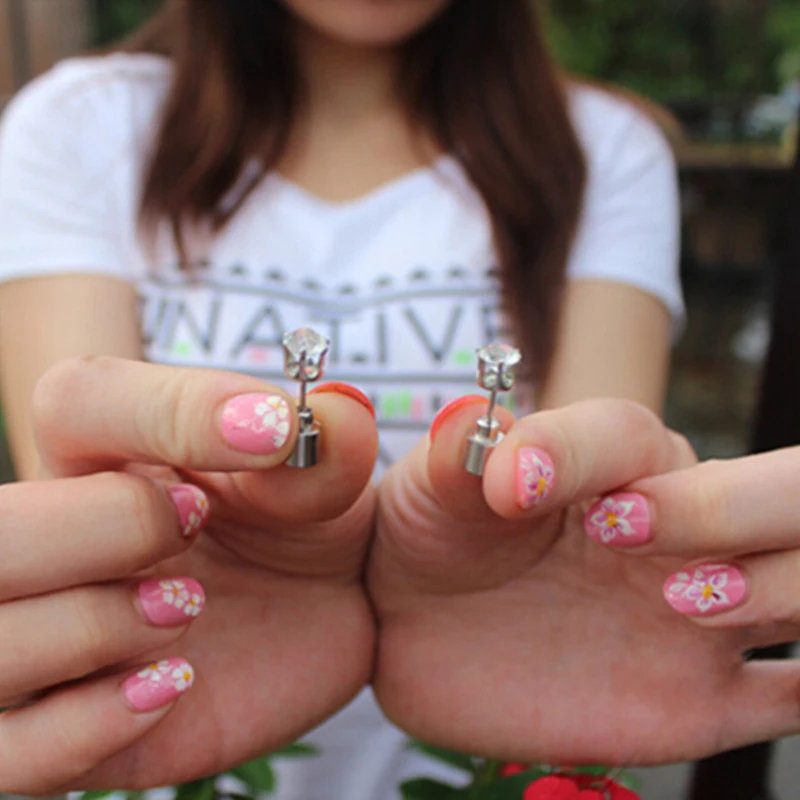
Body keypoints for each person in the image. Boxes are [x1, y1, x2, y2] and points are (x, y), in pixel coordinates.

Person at [0, 0, 696, 796]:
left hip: (492, 730)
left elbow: (585, 516)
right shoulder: (82, 125)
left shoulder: (604, 148)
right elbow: (88, 494)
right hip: (175, 715)